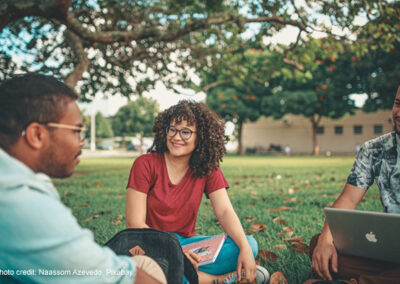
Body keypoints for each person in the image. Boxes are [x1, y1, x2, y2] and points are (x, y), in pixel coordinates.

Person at [0, 74, 166, 284]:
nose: (81, 142)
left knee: (144, 263)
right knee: (147, 268)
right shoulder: (20, 201)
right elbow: (122, 278)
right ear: (37, 135)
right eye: (76, 131)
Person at [125, 101, 269, 284]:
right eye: (172, 129)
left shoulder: (207, 168)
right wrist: (176, 254)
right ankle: (219, 280)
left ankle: (183, 275)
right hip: (151, 245)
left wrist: (245, 249)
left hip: (187, 246)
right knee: (150, 269)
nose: (176, 137)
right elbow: (134, 223)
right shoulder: (145, 164)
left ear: (200, 137)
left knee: (249, 244)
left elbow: (224, 211)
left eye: (185, 131)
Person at [307, 86, 400, 284]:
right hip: (391, 251)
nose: (398, 113)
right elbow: (348, 200)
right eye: (398, 104)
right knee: (319, 245)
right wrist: (326, 239)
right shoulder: (374, 149)